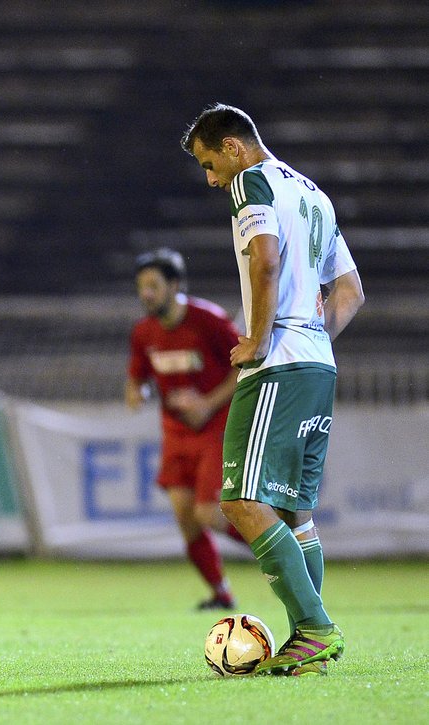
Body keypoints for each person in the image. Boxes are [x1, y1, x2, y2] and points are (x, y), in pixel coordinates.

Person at [181, 103, 364, 676]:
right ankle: (311, 640)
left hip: (278, 367)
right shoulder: (314, 194)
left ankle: (315, 629)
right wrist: (313, 338)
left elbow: (265, 260)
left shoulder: (252, 181)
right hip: (317, 364)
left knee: (238, 500)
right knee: (295, 513)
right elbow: (351, 292)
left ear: (233, 147)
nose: (212, 180)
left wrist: (261, 338)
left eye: (211, 164)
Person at [126, 247, 246, 611]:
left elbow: (243, 368)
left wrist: (207, 403)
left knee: (209, 512)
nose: (146, 293)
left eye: (153, 285)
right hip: (176, 433)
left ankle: (285, 549)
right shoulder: (144, 332)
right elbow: (136, 380)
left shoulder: (209, 320)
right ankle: (221, 593)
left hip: (217, 426)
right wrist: (138, 392)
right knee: (186, 519)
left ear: (174, 285)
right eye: (141, 286)